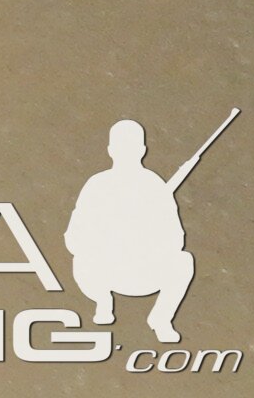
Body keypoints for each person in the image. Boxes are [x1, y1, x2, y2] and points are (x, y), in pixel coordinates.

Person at [70, 119, 201, 345]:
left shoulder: (154, 186)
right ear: (111, 150)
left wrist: (145, 239)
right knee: (81, 260)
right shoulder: (97, 185)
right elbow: (74, 236)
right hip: (104, 271)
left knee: (183, 261)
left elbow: (176, 238)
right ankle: (103, 301)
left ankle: (161, 319)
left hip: (144, 272)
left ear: (142, 150)